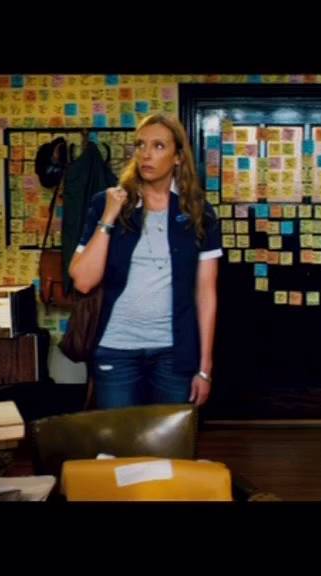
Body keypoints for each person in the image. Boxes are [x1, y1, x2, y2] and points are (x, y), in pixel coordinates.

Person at [69, 113, 221, 409]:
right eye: (140, 145)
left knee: (169, 437)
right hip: (115, 348)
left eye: (158, 146)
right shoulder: (106, 202)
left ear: (178, 157)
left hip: (174, 353)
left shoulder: (199, 211)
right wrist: (109, 216)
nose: (146, 154)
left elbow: (206, 294)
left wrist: (205, 368)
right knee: (119, 438)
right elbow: (83, 281)